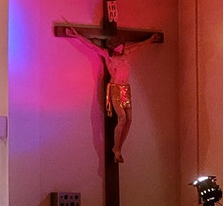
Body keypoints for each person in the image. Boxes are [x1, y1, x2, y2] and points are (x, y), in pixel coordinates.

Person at [65, 26, 161, 163]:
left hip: (125, 89)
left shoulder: (125, 53)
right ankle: (116, 149)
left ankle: (119, 148)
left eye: (122, 47)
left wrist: (151, 39)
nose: (122, 49)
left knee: (129, 119)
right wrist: (77, 35)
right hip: (115, 88)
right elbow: (91, 45)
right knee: (122, 117)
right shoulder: (108, 56)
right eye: (119, 47)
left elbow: (139, 45)